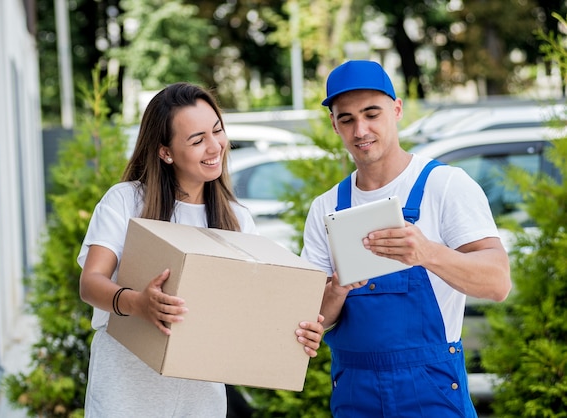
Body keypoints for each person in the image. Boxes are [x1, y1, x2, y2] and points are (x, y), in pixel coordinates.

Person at [77, 82, 325, 418]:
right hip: (126, 391)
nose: (215, 147)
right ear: (165, 152)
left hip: (200, 400)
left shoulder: (237, 219)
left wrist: (295, 334)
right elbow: (91, 282)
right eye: (197, 140)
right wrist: (138, 302)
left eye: (217, 131)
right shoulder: (125, 201)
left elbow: (248, 314)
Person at [301, 60, 512, 417]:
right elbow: (311, 319)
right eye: (347, 118)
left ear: (396, 110)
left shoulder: (444, 185)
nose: (360, 130)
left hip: (432, 390)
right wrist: (336, 289)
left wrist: (428, 253)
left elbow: (498, 283)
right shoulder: (325, 209)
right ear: (334, 124)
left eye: (372, 114)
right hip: (355, 392)